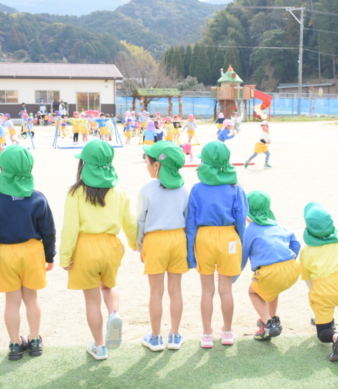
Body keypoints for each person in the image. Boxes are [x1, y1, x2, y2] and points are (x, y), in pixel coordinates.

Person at [59, 141, 138, 360]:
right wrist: (135, 244)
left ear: (84, 165)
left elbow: (70, 228)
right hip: (111, 247)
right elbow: (130, 223)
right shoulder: (119, 192)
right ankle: (114, 313)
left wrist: (65, 257)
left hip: (85, 248)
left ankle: (100, 346)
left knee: (92, 300)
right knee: (109, 287)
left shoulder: (75, 193)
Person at [0, 146, 56, 360]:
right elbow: (48, 231)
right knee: (32, 299)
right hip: (32, 251)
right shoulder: (38, 198)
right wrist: (50, 256)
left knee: (12, 302)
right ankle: (34, 340)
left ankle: (15, 343)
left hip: (5, 253)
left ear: (3, 170)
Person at [186, 141, 248, 348]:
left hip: (204, 237)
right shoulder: (235, 188)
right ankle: (227, 332)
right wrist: (240, 243)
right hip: (229, 236)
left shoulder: (197, 189)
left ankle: (207, 334)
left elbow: (190, 223)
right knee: (226, 290)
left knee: (207, 290)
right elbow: (241, 220)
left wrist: (190, 253)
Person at [138, 141, 189, 351]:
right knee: (176, 291)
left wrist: (140, 246)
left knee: (156, 292)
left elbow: (140, 221)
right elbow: (187, 217)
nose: (146, 162)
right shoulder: (184, 190)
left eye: (147, 160)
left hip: (154, 241)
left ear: (157, 165)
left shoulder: (147, 190)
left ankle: (156, 337)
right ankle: (175, 335)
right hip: (178, 239)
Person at [240, 191, 301, 340]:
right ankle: (273, 318)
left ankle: (268, 324)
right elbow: (296, 244)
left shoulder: (250, 230)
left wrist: (233, 275)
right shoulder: (278, 226)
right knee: (272, 289)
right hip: (292, 268)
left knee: (253, 292)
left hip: (270, 271)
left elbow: (243, 256)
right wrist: (287, 261)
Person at [300, 202, 338, 361]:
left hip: (322, 290)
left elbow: (308, 280)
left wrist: (319, 290)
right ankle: (325, 319)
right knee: (328, 304)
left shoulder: (306, 251)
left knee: (323, 333)